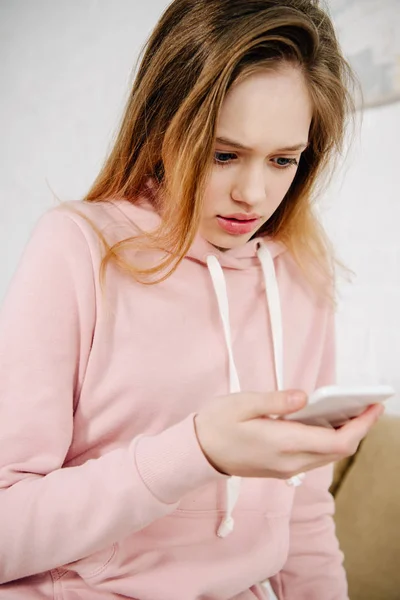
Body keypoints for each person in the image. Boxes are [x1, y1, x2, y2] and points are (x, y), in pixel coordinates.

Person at [0, 1, 383, 599]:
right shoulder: (78, 247)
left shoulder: (301, 276)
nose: (253, 195)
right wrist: (196, 450)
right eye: (223, 154)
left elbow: (303, 518)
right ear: (162, 128)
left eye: (283, 160)